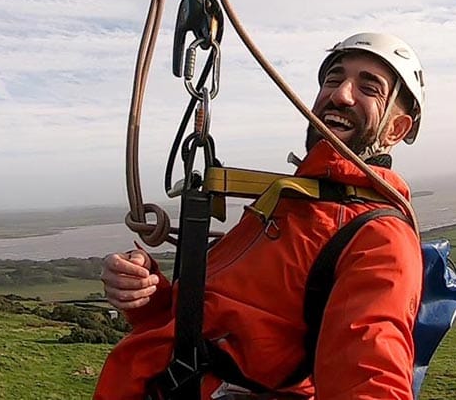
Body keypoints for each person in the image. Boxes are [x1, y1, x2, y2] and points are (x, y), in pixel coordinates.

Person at [94, 33, 426, 399]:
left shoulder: (378, 237)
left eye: (370, 88)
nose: (340, 94)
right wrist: (149, 293)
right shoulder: (294, 201)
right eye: (333, 79)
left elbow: (370, 378)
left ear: (396, 129)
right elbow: (218, 319)